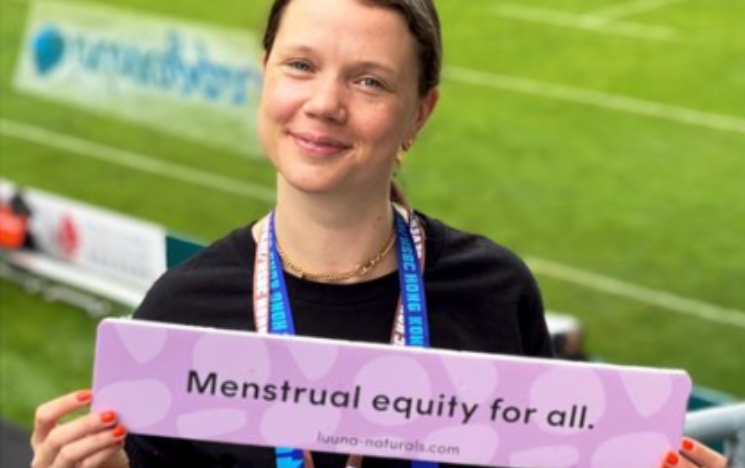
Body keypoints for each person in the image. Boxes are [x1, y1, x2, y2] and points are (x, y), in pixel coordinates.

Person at [29, 0, 730, 467]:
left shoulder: (491, 290)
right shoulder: (180, 313)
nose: (324, 104)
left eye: (368, 82)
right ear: (265, 79)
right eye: (299, 65)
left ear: (419, 116)